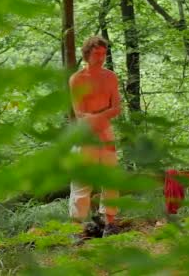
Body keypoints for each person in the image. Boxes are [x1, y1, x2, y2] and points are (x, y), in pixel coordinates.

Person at [68, 36, 121, 238]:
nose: (100, 57)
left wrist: (99, 118)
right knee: (82, 181)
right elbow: (79, 112)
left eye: (103, 53)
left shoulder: (111, 77)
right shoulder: (77, 79)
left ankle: (110, 223)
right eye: (96, 53)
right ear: (87, 54)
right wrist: (98, 118)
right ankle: (77, 229)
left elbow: (116, 107)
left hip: (106, 131)